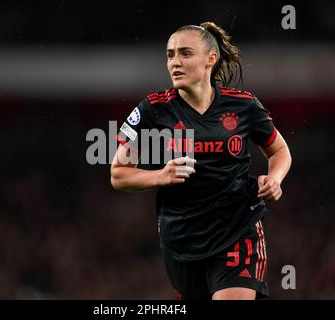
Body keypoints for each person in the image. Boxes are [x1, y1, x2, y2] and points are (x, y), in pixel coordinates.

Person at [110, 21, 292, 300]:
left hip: (237, 230)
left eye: (185, 53)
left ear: (211, 59)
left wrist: (275, 179)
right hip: (181, 241)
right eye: (170, 55)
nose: (175, 63)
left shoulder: (243, 105)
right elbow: (119, 174)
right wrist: (161, 175)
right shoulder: (153, 109)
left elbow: (280, 151)